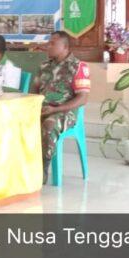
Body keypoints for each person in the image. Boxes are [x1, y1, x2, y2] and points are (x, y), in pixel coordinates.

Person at [31, 31, 90, 184]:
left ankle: (42, 170)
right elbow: (34, 91)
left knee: (49, 125)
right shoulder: (44, 66)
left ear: (65, 47)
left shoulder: (78, 67)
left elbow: (83, 98)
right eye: (48, 43)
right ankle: (20, 168)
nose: (48, 46)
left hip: (64, 111)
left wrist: (55, 109)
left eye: (52, 44)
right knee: (14, 122)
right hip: (42, 109)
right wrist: (32, 108)